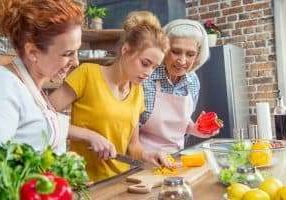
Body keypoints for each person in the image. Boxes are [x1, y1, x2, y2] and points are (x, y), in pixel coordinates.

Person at [48, 11, 170, 182]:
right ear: (126, 50)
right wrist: (89, 135)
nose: (148, 73)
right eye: (145, 63)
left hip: (121, 181)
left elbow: (133, 146)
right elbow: (43, 118)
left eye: (154, 67)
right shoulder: (87, 74)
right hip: (84, 182)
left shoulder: (137, 91)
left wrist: (147, 155)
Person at [0, 0, 83, 154]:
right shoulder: (6, 87)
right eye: (67, 54)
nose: (76, 62)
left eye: (77, 51)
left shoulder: (33, 88)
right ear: (32, 52)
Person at [139, 19, 220, 153]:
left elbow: (181, 123)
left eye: (190, 54)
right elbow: (128, 126)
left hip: (175, 158)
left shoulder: (193, 81)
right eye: (176, 51)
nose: (182, 61)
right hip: (141, 159)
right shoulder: (145, 77)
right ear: (164, 49)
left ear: (197, 55)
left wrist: (195, 129)